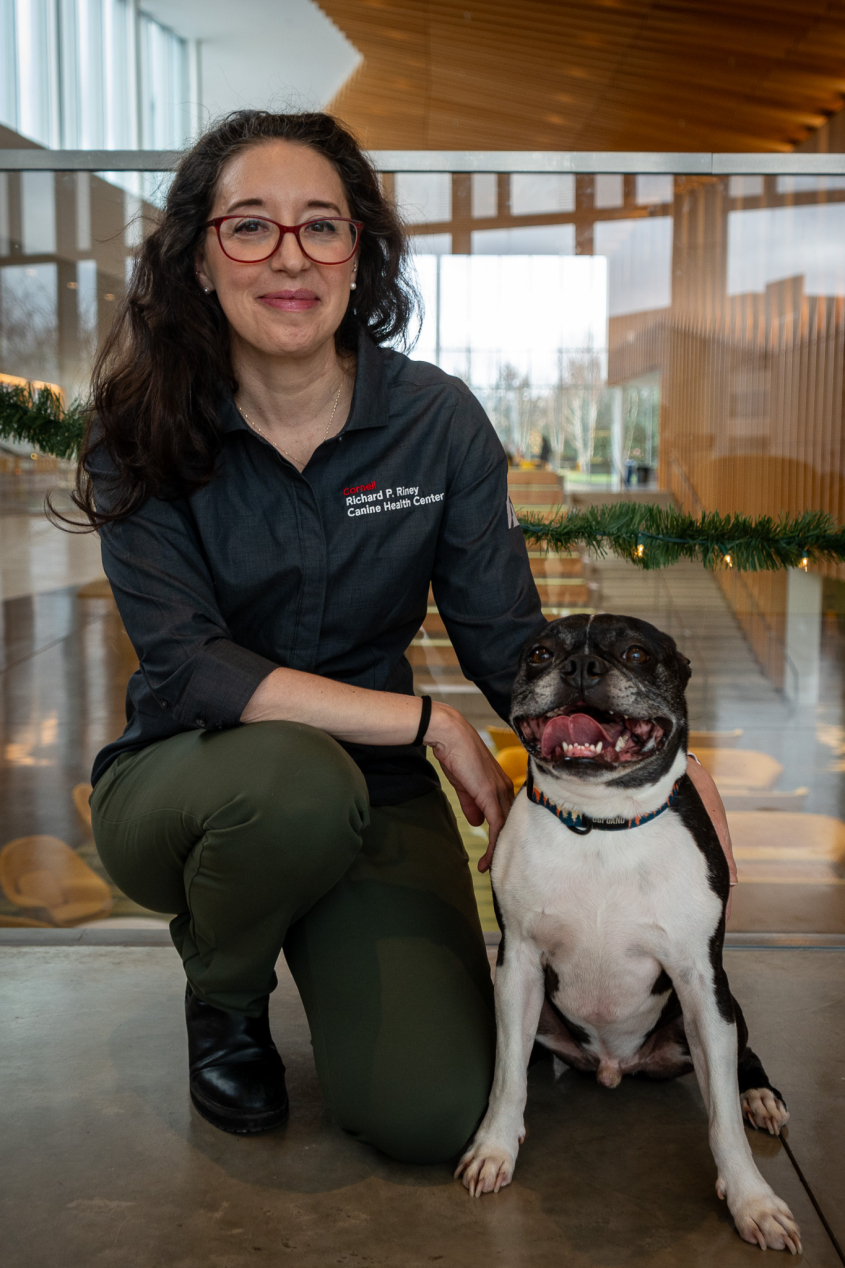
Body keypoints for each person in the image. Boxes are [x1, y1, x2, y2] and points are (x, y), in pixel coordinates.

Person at [74, 110, 736, 1165]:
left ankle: (313, 924)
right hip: (185, 777)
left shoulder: (435, 420)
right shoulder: (139, 425)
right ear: (199, 259)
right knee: (291, 785)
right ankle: (225, 988)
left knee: (431, 1110)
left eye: (321, 227)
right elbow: (191, 664)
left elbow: (507, 638)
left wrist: (663, 765)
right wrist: (430, 723)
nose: (289, 255)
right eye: (249, 226)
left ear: (358, 253)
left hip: (370, 789)